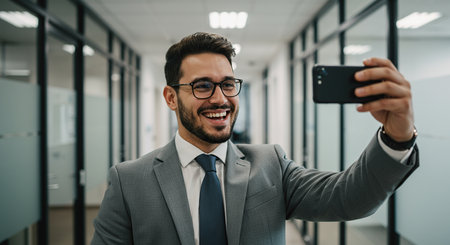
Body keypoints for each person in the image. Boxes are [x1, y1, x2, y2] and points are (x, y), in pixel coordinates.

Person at [91, 32, 419, 245]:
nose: (220, 98)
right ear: (171, 97)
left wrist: (397, 136)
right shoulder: (129, 180)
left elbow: (350, 197)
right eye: (202, 86)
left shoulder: (270, 164)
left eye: (228, 84)